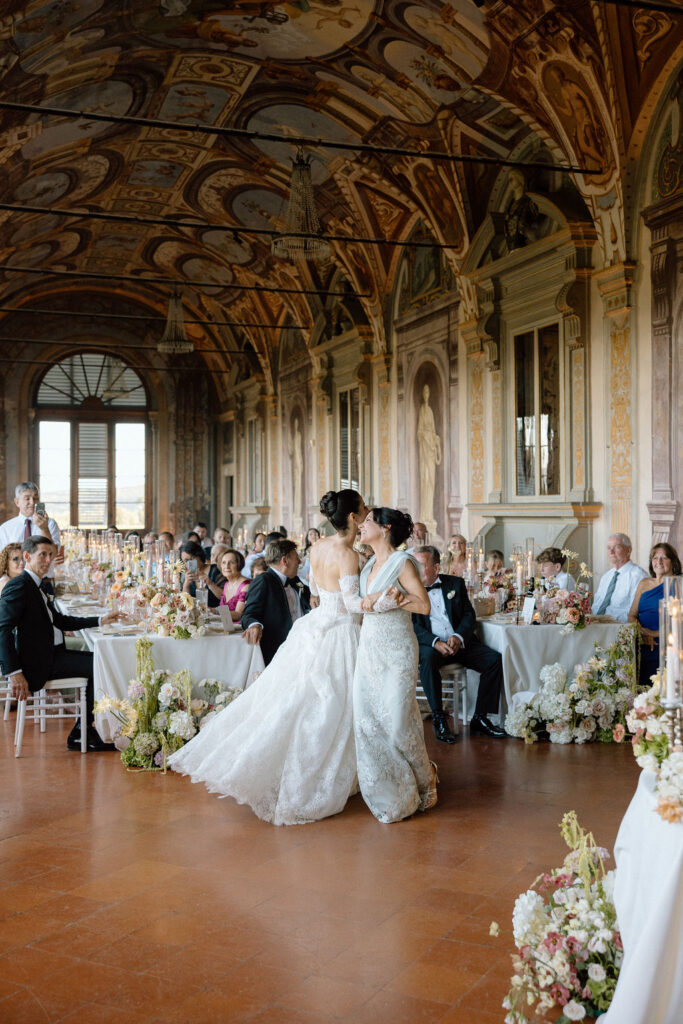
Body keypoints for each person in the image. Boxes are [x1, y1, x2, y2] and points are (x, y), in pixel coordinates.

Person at [168, 489, 370, 826]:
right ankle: (317, 776)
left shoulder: (318, 547)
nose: (367, 512)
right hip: (341, 631)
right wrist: (380, 600)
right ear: (352, 517)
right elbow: (350, 604)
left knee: (300, 702)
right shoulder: (347, 554)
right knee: (331, 706)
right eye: (363, 508)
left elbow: (317, 594)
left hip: (314, 628)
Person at [354, 508, 438, 823]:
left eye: (367, 522)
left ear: (385, 528)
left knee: (399, 721)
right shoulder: (366, 569)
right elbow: (363, 605)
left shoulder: (401, 563)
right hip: (370, 649)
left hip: (398, 649)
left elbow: (424, 605)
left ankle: (425, 777)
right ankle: (397, 790)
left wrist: (399, 600)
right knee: (371, 722)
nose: (361, 526)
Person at [0, 536, 120, 751]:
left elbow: (60, 621)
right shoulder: (19, 586)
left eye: (51, 555)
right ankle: (83, 733)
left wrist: (100, 620)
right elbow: (2, 629)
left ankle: (85, 730)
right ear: (27, 556)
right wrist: (14, 672)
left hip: (53, 654)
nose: (48, 560)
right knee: (100, 664)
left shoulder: (38, 584)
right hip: (38, 664)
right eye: (42, 555)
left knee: (101, 659)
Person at [413, 546, 507, 739]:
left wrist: (458, 637)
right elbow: (412, 625)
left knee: (494, 660)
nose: (414, 570)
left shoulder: (455, 583)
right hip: (433, 647)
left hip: (460, 644)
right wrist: (435, 642)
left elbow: (468, 614)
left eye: (420, 565)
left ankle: (480, 717)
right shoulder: (410, 589)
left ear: (436, 567)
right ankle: (439, 719)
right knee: (428, 659)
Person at [240, 539, 311, 665]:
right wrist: (254, 625)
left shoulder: (295, 581)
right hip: (280, 648)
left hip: (304, 643)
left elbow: (307, 599)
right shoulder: (264, 580)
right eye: (296, 558)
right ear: (285, 560)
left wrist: (313, 596)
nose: (300, 562)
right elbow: (248, 614)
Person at [628, 543, 681, 687]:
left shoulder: (679, 584)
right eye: (655, 558)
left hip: (670, 644)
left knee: (665, 690)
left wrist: (656, 634)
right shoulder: (644, 583)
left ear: (673, 561)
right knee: (644, 689)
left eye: (664, 558)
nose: (659, 562)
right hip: (644, 643)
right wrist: (643, 633)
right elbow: (632, 615)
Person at [0, 481, 61, 584]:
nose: (32, 502)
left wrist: (44, 529)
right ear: (17, 502)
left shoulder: (50, 524)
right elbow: (1, 561)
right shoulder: (5, 529)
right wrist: (3, 582)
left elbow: (52, 554)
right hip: (14, 583)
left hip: (44, 583)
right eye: (27, 498)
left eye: (36, 498)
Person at [592, 533, 647, 621]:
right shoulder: (606, 576)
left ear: (628, 550)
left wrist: (606, 619)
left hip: (620, 628)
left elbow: (636, 613)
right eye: (609, 548)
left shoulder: (638, 576)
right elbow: (596, 606)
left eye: (617, 547)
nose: (611, 552)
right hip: (596, 626)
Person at [179, 541, 224, 605]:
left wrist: (210, 583)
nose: (190, 563)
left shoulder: (216, 570)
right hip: (197, 613)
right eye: (186, 561)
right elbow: (185, 603)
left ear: (199, 555)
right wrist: (186, 584)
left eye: (192, 558)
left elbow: (225, 598)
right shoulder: (188, 575)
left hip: (217, 612)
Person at [219, 549, 250, 623]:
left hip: (240, 629)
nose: (226, 566)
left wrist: (216, 614)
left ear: (239, 564)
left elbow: (239, 614)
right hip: (227, 626)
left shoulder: (245, 585)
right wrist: (208, 610)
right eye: (223, 563)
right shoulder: (227, 584)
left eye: (231, 563)